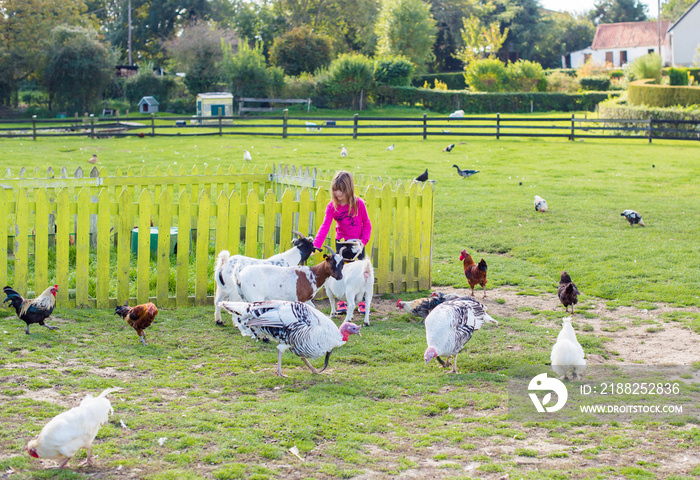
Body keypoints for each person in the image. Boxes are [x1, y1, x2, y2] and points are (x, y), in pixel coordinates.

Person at [314, 171, 372, 314]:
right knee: (341, 271)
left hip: (357, 245)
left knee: (361, 273)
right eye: (335, 190)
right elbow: (325, 226)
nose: (338, 193)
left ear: (349, 189)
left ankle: (362, 301)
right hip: (341, 243)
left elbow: (367, 224)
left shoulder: (359, 204)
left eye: (341, 190)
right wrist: (316, 245)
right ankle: (342, 302)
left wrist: (363, 242)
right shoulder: (332, 207)